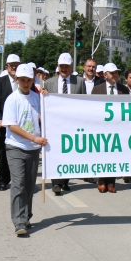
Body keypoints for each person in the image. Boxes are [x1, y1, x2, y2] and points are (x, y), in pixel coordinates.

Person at [2, 63, 47, 236]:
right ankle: (19, 221)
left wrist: (47, 99)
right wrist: (33, 138)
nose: (26, 83)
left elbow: (43, 117)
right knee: (18, 183)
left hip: (33, 149)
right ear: (16, 80)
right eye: (22, 80)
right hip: (16, 147)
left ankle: (26, 215)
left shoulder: (36, 98)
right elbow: (12, 126)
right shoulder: (12, 100)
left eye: (29, 80)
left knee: (29, 185)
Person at [41, 52, 84, 195]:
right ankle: (56, 183)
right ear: (58, 67)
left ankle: (65, 181)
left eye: (66, 66)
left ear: (71, 67)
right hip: (54, 124)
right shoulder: (48, 83)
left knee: (69, 153)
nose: (64, 69)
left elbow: (83, 103)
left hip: (72, 124)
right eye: (61, 66)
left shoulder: (80, 82)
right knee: (55, 152)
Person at [91, 63, 129, 193]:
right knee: (102, 154)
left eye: (116, 73)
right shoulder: (97, 90)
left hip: (118, 128)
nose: (115, 75)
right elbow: (93, 109)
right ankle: (101, 181)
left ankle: (111, 182)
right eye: (112, 73)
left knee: (114, 155)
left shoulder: (124, 90)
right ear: (105, 75)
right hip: (102, 128)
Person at [0, 54, 19, 191]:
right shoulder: (0, 81)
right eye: (12, 65)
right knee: (3, 153)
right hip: (3, 125)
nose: (14, 67)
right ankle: (3, 178)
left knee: (18, 152)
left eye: (16, 65)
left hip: (20, 125)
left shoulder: (24, 80)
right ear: (7, 67)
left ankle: (18, 179)